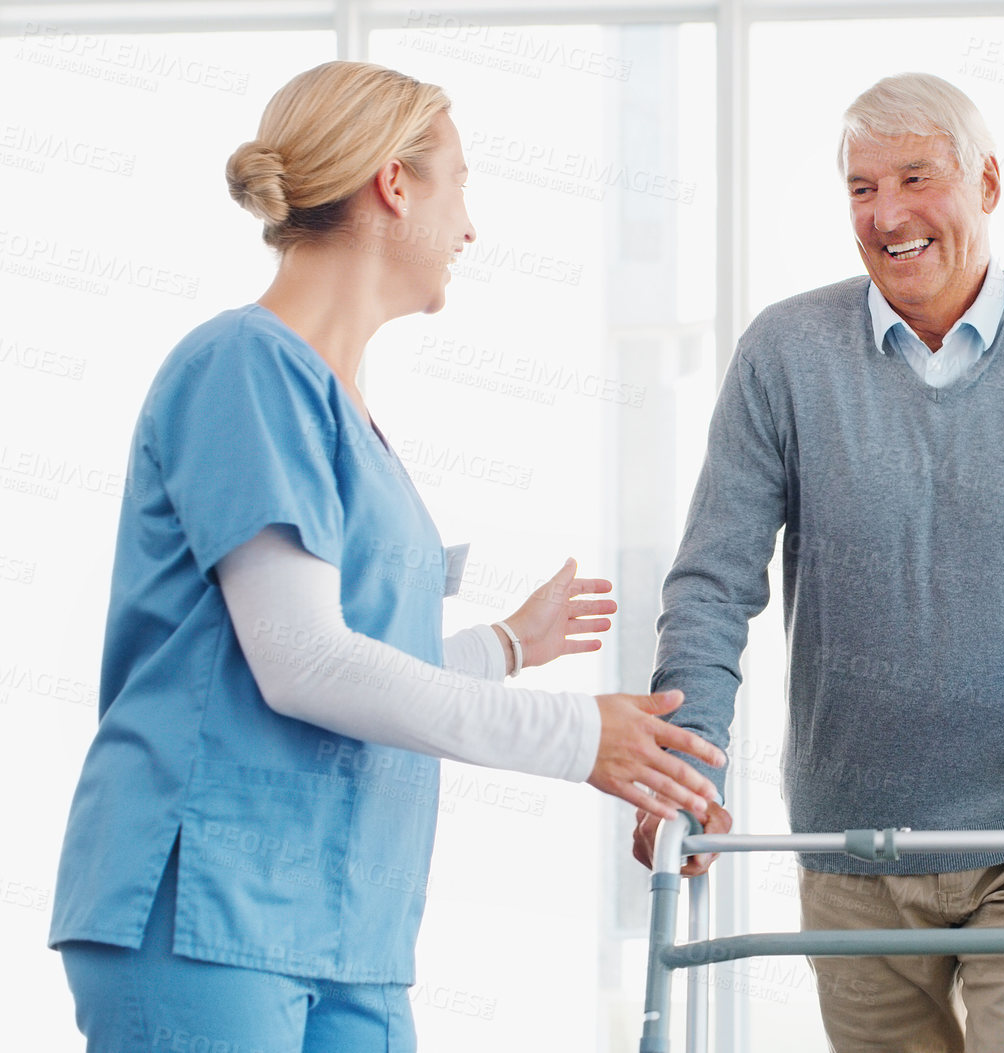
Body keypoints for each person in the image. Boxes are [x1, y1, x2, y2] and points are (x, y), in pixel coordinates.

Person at [48, 61, 724, 1051]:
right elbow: (304, 666)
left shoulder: (343, 411)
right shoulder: (243, 366)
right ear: (393, 184)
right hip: (208, 910)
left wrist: (500, 647)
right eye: (458, 182)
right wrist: (579, 738)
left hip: (344, 919)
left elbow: (334, 671)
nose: (470, 227)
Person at [631, 72, 1004, 1052]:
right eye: (861, 188)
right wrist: (683, 773)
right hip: (850, 843)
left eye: (916, 178)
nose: (888, 213)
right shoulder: (784, 353)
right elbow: (711, 585)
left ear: (987, 183)